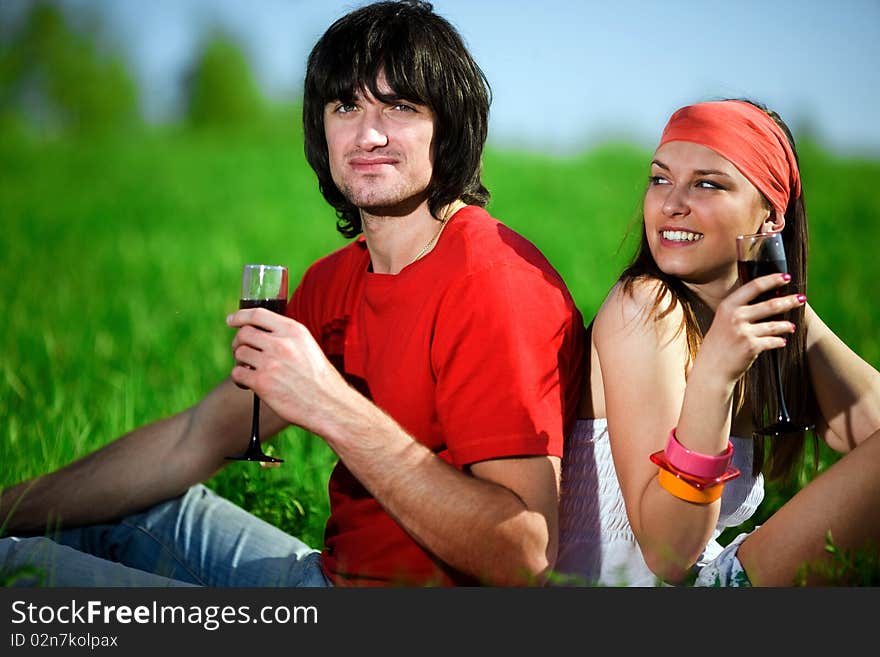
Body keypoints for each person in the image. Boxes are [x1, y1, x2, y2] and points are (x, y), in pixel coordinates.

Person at [0, 0, 585, 587]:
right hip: (323, 581)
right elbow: (196, 437)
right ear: (321, 127)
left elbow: (523, 556)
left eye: (400, 106)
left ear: (451, 126)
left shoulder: (495, 285)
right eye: (347, 105)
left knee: (16, 574)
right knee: (124, 514)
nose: (369, 133)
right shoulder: (334, 282)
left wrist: (330, 405)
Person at [554, 98, 880, 587]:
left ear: (771, 216)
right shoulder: (645, 307)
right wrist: (714, 374)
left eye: (707, 184)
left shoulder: (752, 325)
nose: (671, 203)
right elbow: (668, 554)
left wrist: (783, 296)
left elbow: (870, 435)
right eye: (660, 178)